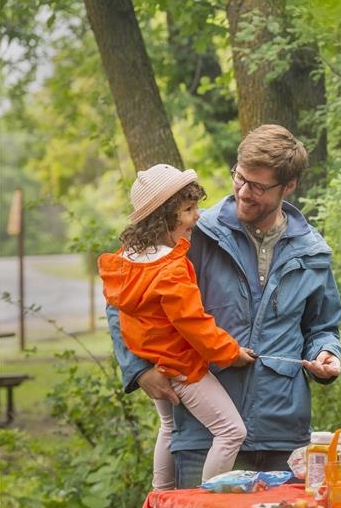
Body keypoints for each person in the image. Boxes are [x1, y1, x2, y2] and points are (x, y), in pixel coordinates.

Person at [107, 125, 341, 488]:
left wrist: (326, 353)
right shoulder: (194, 233)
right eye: (240, 178)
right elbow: (126, 296)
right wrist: (138, 369)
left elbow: (322, 326)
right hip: (203, 436)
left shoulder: (313, 251)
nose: (245, 193)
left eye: (260, 187)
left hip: (283, 437)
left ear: (289, 186)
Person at [99, 164, 257, 490]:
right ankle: (207, 504)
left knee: (168, 425)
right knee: (231, 431)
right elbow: (194, 323)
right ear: (161, 217)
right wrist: (231, 353)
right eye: (187, 209)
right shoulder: (170, 269)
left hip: (155, 361)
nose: (196, 216)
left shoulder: (127, 262)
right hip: (180, 365)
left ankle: (161, 494)